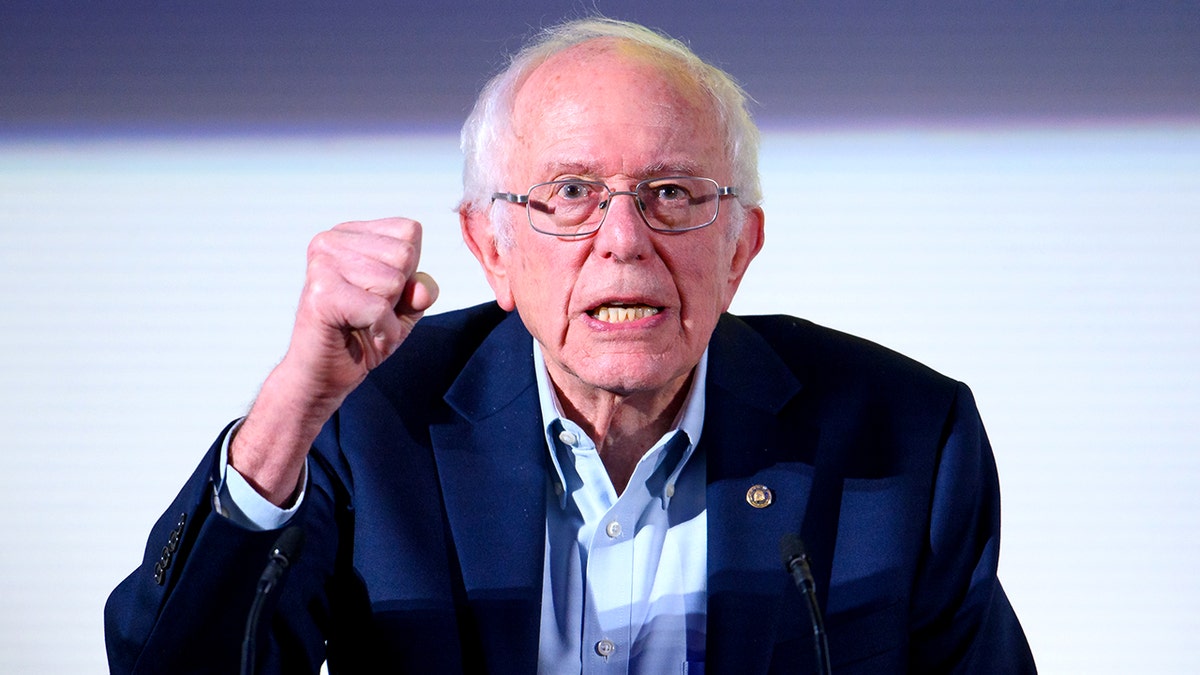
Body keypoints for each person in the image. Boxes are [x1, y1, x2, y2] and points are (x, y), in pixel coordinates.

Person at [105, 17, 1035, 674]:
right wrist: (291, 412)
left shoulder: (906, 437)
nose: (624, 240)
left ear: (740, 248)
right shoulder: (367, 421)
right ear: (489, 249)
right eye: (570, 194)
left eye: (673, 192)